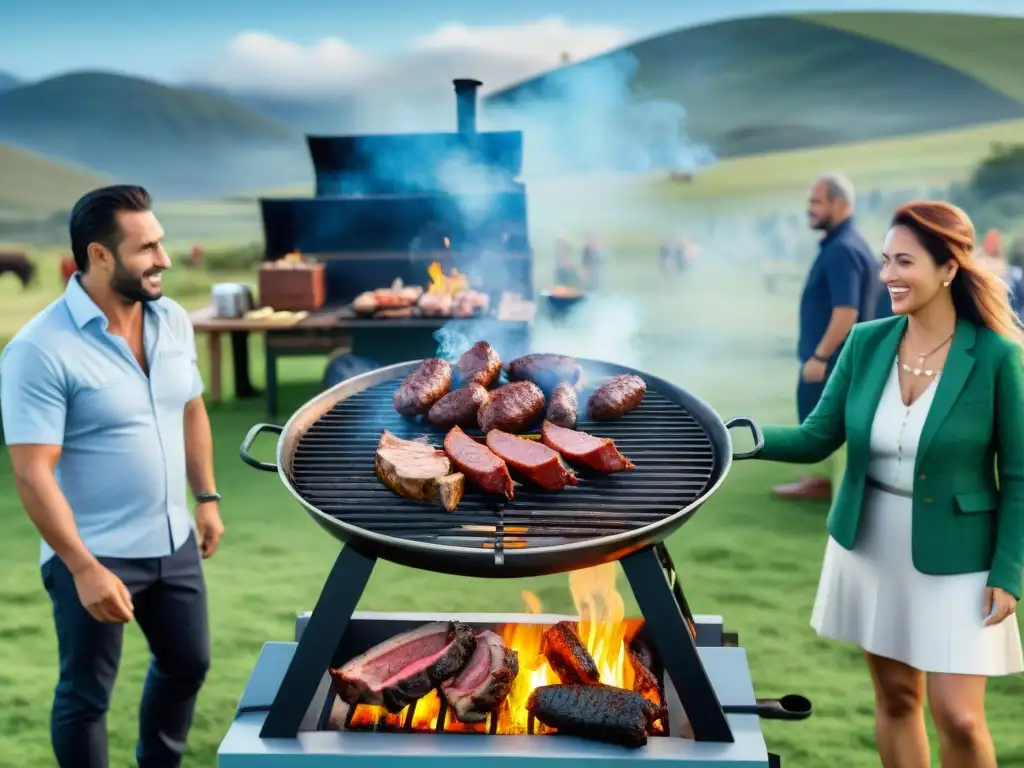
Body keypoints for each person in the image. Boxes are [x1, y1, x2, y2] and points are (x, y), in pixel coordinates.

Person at [754, 201, 1022, 768]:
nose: (887, 277)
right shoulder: (867, 342)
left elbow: (1019, 475)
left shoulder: (997, 357)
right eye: (884, 262)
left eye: (904, 262)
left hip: (962, 554)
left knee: (961, 717)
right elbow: (815, 436)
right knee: (898, 699)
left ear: (949, 268)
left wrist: (1010, 571)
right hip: (871, 545)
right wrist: (732, 437)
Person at [0, 185, 224, 768]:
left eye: (162, 243)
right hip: (94, 552)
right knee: (86, 698)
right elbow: (31, 472)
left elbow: (191, 407)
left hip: (172, 539)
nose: (164, 259)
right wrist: (82, 567)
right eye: (146, 247)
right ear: (100, 256)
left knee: (188, 664)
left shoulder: (172, 318)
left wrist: (205, 498)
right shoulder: (38, 350)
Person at [773, 172, 880, 501]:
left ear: (841, 204)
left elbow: (846, 312)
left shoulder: (842, 250)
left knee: (823, 425)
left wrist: (820, 357)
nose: (811, 209)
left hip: (833, 361)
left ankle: (829, 485)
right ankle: (825, 481)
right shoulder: (849, 243)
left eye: (817, 202)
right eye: (810, 201)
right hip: (844, 359)